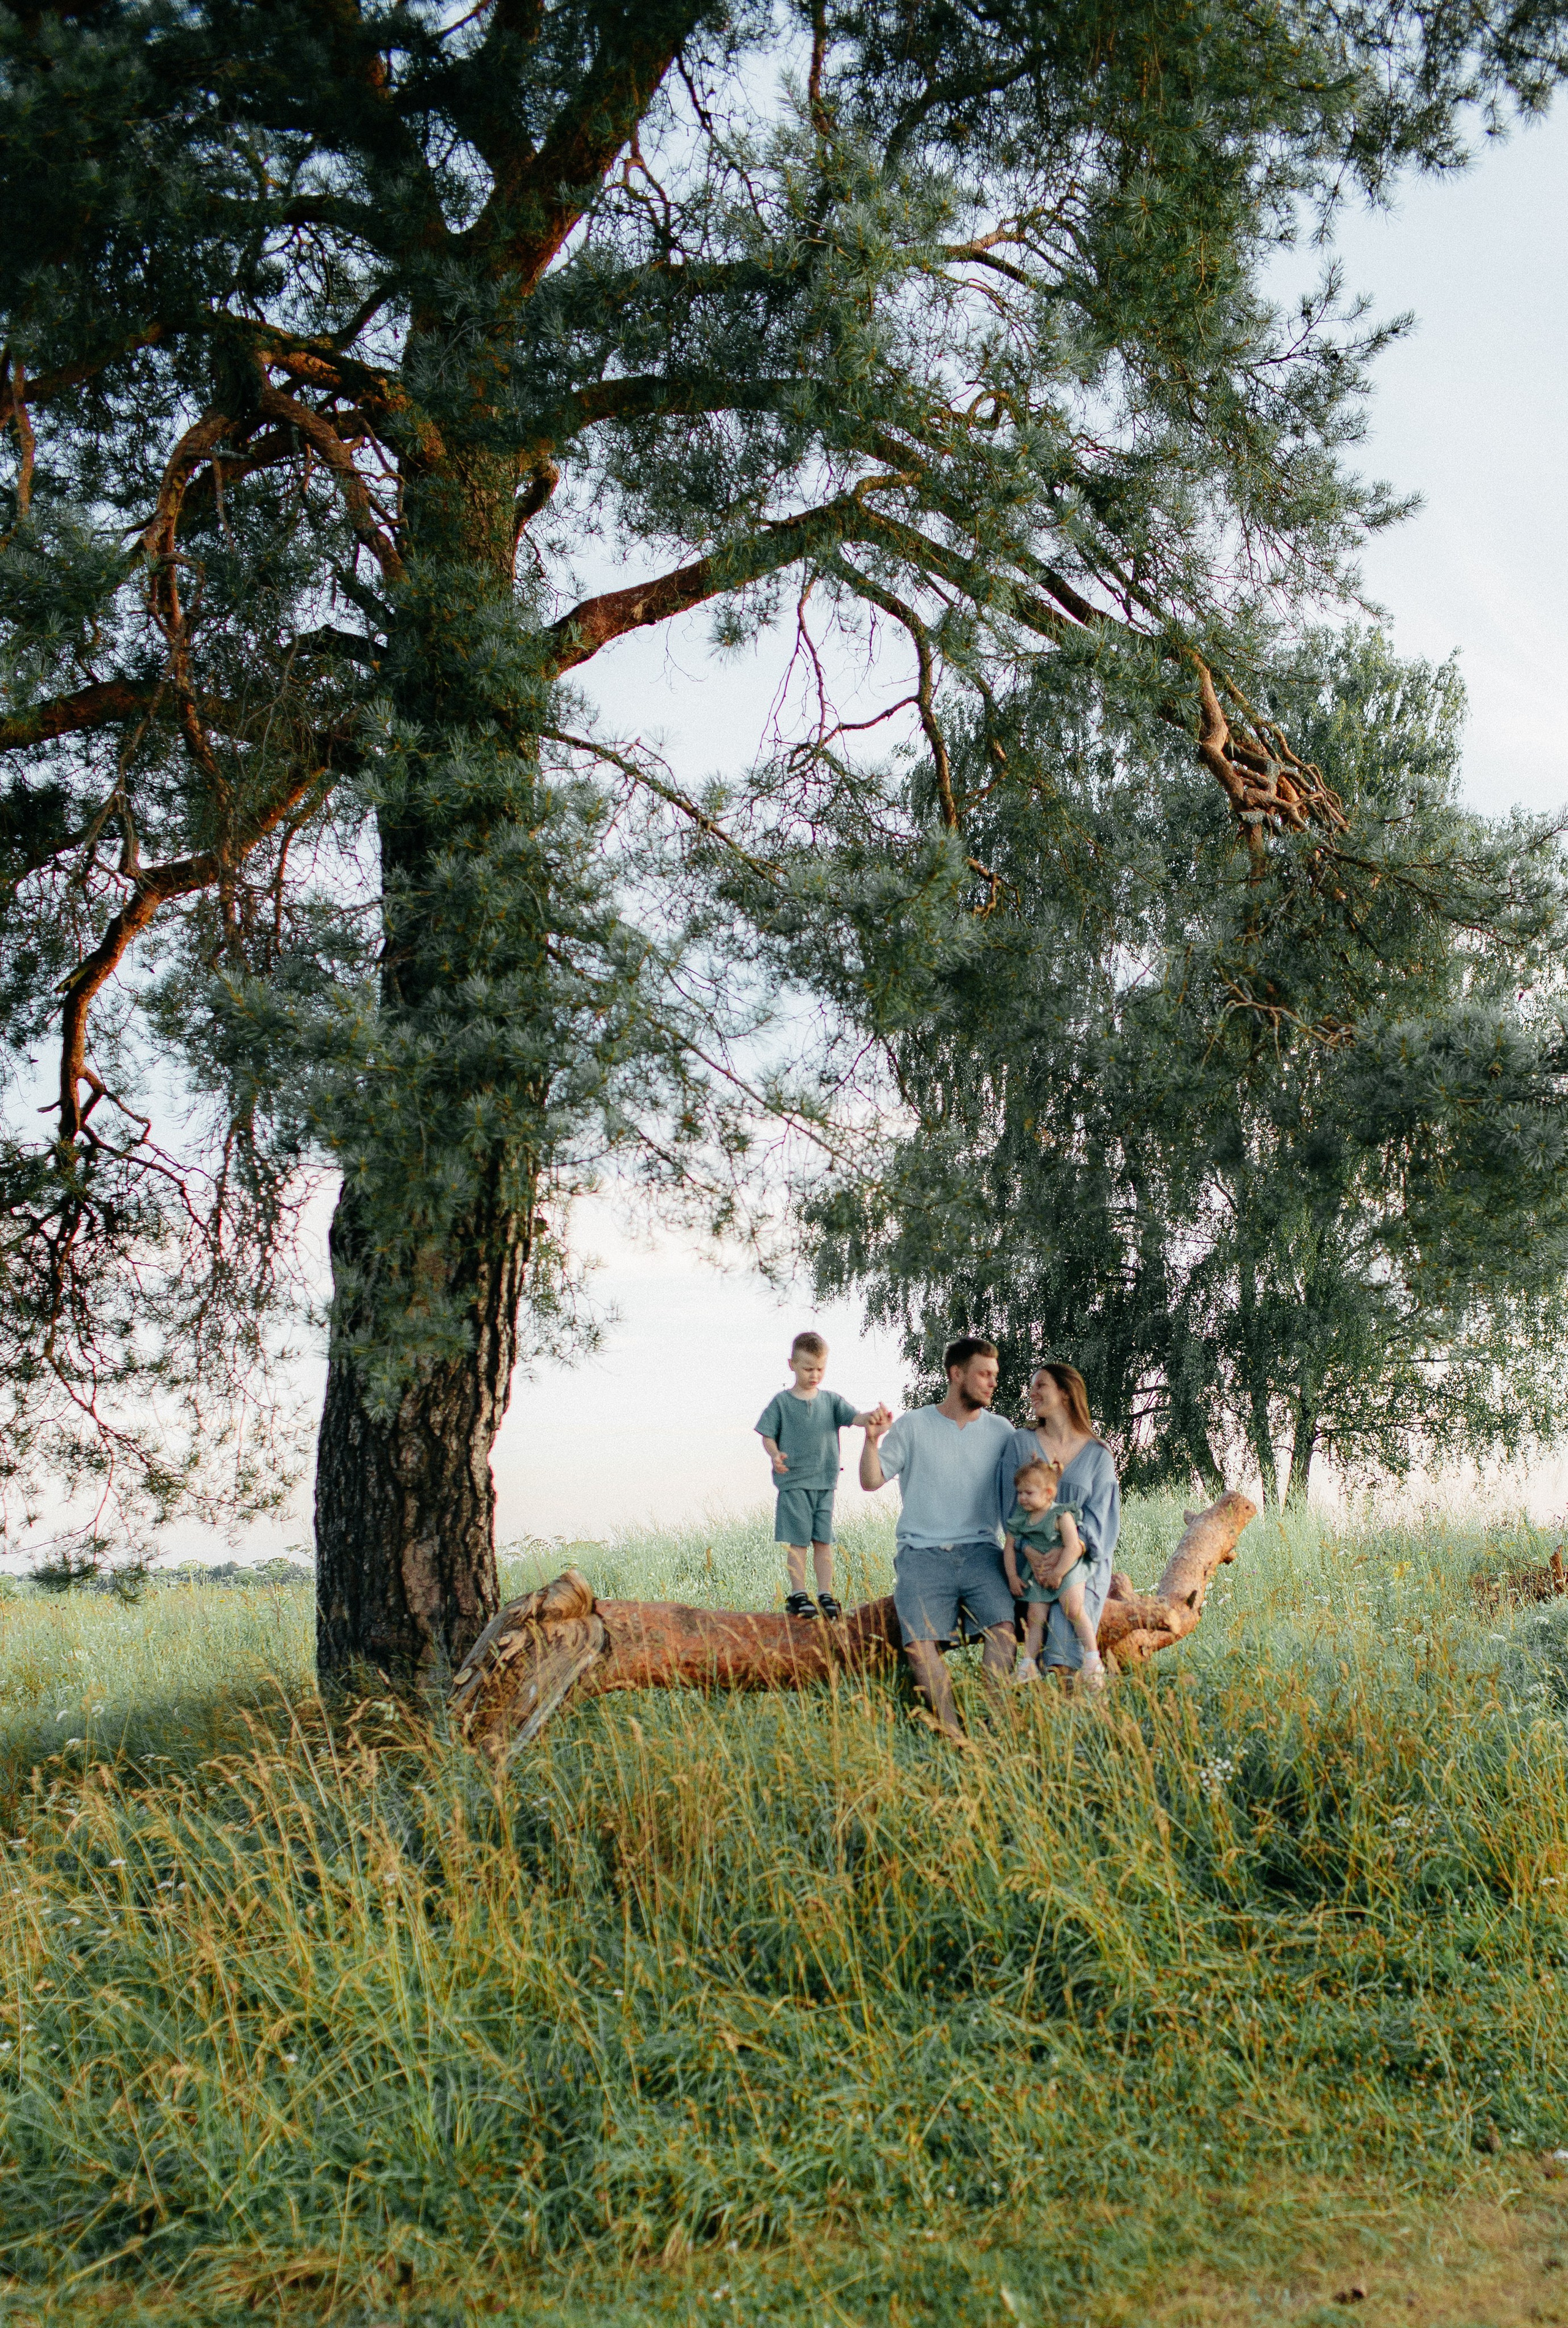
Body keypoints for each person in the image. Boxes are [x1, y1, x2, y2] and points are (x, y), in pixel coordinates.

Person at [858, 1335, 1018, 1739]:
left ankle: (994, 1723)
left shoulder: (1002, 1431)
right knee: (918, 1645)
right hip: (922, 1552)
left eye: (994, 1376)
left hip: (982, 1550)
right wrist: (871, 1440)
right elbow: (871, 1480)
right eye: (983, 1374)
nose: (992, 1383)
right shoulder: (913, 1425)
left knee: (1003, 1628)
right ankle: (953, 1733)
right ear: (956, 1373)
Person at [1000, 1362, 1120, 1683]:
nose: (1033, 1392)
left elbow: (1103, 1519)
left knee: (1067, 1640)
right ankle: (1037, 1714)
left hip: (1083, 1560)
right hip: (1032, 1560)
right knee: (1037, 1619)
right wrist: (1031, 1551)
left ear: (1065, 1393)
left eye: (1041, 1385)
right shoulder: (1021, 1444)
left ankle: (1081, 1705)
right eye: (1032, 1386)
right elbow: (1010, 1509)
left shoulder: (1098, 1454)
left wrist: (1071, 1549)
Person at [756, 1332, 876, 1620]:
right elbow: (767, 1435)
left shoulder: (832, 1402)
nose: (815, 1375)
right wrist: (775, 1455)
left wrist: (872, 1417)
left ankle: (825, 1593)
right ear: (792, 1365)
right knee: (798, 1542)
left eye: (820, 1369)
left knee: (824, 1541)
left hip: (825, 1482)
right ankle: (799, 1595)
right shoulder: (782, 1403)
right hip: (795, 1482)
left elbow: (856, 1418)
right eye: (808, 1368)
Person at [1003, 1455, 1106, 1687]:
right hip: (1039, 1572)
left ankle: (1092, 1657)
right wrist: (1013, 1576)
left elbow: (1072, 1548)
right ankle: (1028, 1664)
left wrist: (1058, 1573)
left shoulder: (1061, 1515)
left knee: (1072, 1607)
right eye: (1019, 1493)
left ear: (1049, 1493)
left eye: (1028, 1493)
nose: (1022, 1498)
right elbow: (1009, 1547)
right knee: (1035, 1616)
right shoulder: (1021, 1517)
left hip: (1067, 1567)